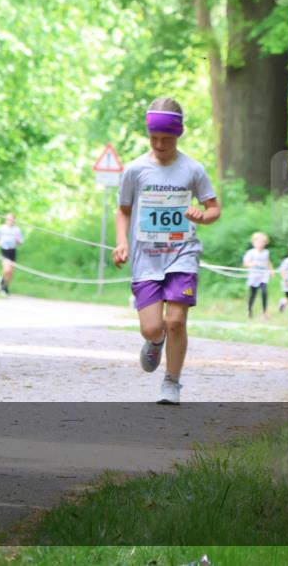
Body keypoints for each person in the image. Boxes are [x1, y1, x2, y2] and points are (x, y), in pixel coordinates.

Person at [112, 98, 220, 405]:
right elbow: (123, 211)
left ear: (179, 135)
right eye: (154, 138)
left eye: (167, 139)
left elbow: (214, 208)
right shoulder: (135, 171)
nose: (160, 144)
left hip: (182, 253)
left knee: (175, 321)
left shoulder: (192, 169)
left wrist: (203, 215)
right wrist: (121, 242)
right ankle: (155, 341)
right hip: (146, 258)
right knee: (153, 326)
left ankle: (172, 382)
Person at [243, 231, 274, 319]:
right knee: (253, 294)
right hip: (254, 276)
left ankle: (265, 313)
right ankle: (249, 309)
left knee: (264, 292)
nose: (260, 244)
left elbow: (267, 261)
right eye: (258, 242)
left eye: (262, 242)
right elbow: (245, 263)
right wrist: (252, 264)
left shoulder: (266, 252)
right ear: (254, 243)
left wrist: (271, 270)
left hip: (263, 276)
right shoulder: (251, 252)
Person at [0, 212, 23, 294]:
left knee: (10, 272)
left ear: (14, 220)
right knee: (7, 269)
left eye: (11, 219)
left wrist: (18, 240)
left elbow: (20, 241)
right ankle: (2, 283)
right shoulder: (1, 228)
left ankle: (5, 287)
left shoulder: (17, 230)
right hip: (4, 250)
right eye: (8, 219)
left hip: (12, 251)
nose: (9, 221)